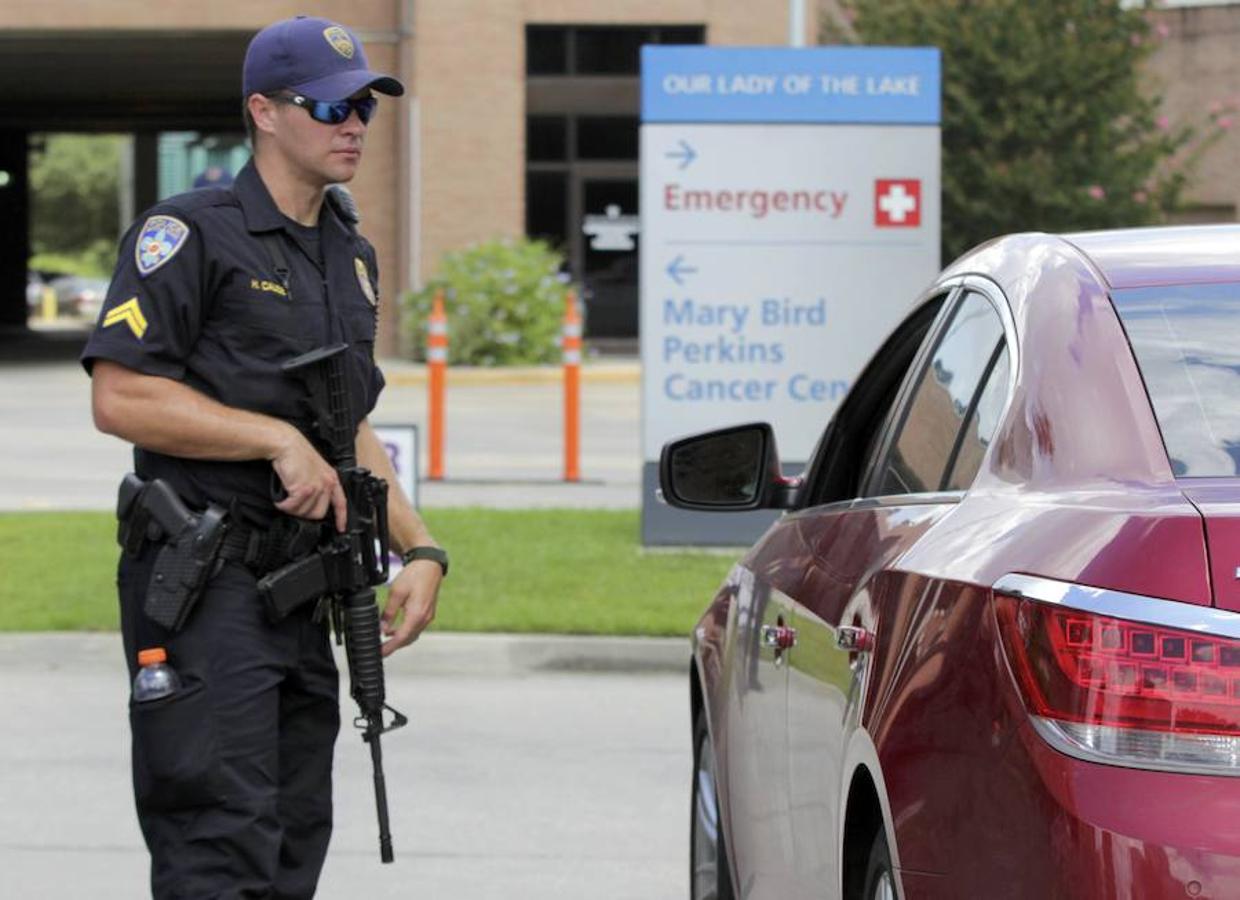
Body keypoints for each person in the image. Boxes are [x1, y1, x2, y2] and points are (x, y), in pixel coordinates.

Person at [81, 16, 445, 898]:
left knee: (291, 839)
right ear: (264, 112)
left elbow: (345, 421)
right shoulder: (188, 234)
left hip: (303, 592)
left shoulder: (347, 253)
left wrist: (419, 545)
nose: (353, 122)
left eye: (364, 104)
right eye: (328, 104)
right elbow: (120, 395)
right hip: (206, 586)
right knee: (220, 837)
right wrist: (271, 438)